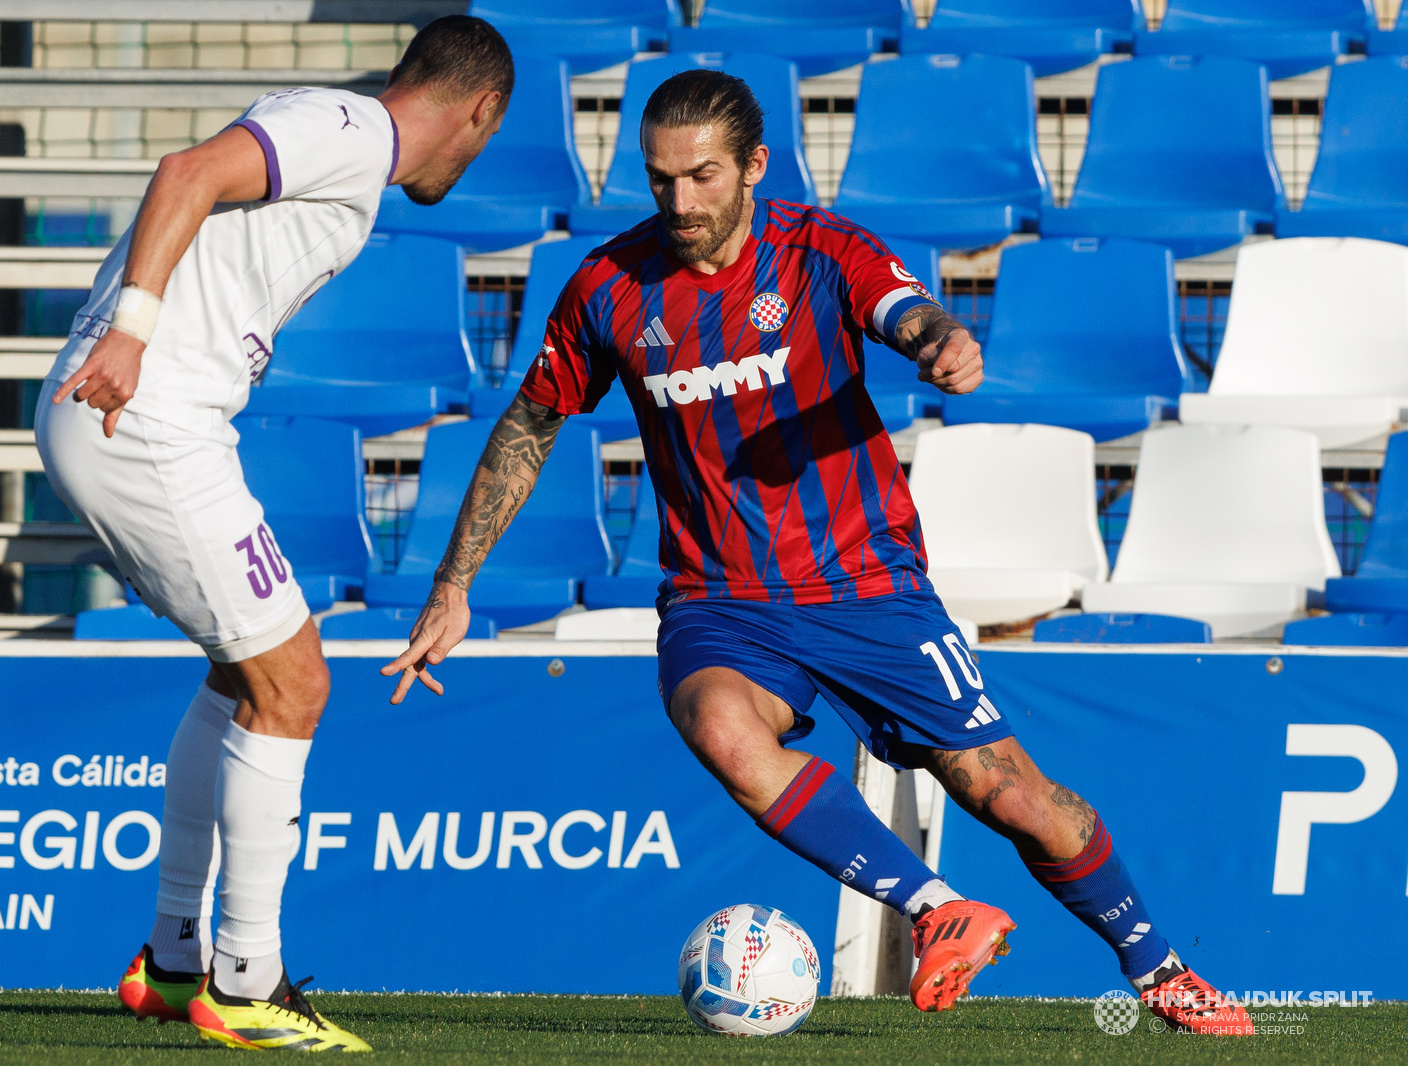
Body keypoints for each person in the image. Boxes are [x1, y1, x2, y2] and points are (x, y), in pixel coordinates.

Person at [382, 69, 1251, 1035]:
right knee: (721, 729)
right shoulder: (610, 284)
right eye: (661, 179)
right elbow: (531, 422)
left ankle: (1160, 967)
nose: (679, 202)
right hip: (720, 599)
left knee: (1008, 794)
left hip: (865, 585)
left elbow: (905, 311)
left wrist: (941, 341)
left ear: (754, 165)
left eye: (703, 177)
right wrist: (453, 583)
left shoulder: (819, 251)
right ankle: (938, 909)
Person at [35, 15, 513, 1052]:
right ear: (480, 111)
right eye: (485, 139)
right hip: (143, 411)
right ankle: (243, 980)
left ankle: (171, 962)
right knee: (294, 684)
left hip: (141, 418)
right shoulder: (348, 127)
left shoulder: (342, 141)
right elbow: (186, 173)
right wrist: (133, 332)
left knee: (240, 675)